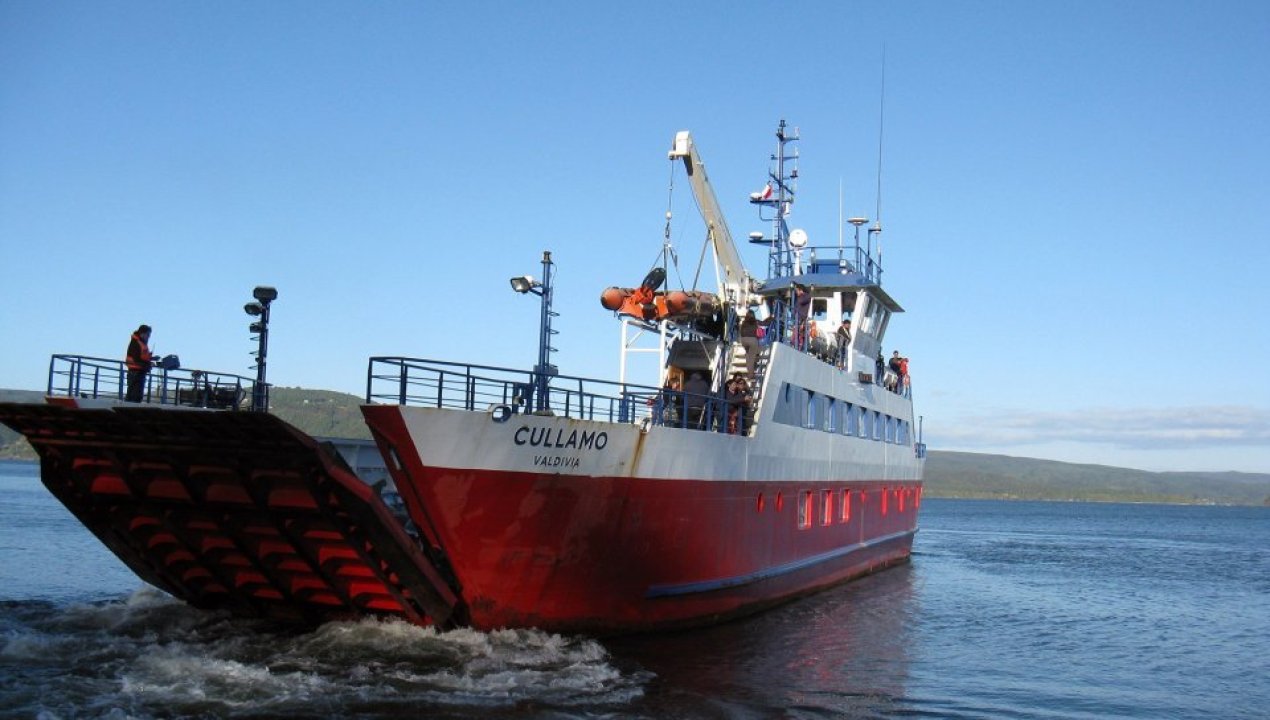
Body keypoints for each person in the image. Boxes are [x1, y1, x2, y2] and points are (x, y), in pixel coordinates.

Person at [125, 324, 153, 402]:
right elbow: (136, 358)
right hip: (135, 371)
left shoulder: (141, 343)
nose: (148, 337)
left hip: (139, 371)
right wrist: (148, 364)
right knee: (134, 395)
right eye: (148, 335)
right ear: (142, 333)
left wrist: (150, 358)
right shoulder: (136, 343)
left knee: (136, 395)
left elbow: (141, 356)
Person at [739, 310, 761, 378]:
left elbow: (741, 331)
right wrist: (771, 318)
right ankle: (750, 374)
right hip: (752, 340)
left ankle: (750, 356)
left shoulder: (743, 322)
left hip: (743, 340)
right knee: (751, 358)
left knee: (749, 355)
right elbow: (765, 323)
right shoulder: (755, 321)